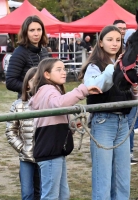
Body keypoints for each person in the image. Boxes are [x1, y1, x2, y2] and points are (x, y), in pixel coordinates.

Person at [78, 25, 138, 199]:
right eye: (110, 40)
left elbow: (132, 99)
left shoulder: (124, 65)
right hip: (103, 122)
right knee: (102, 178)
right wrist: (114, 68)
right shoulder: (94, 65)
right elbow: (95, 86)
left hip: (123, 121)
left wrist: (134, 90)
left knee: (122, 178)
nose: (114, 43)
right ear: (101, 43)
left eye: (118, 40)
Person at [29, 57, 102, 199]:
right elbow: (59, 104)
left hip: (55, 151)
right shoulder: (47, 90)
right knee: (51, 196)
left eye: (64, 69)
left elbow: (59, 113)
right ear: (47, 74)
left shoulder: (51, 90)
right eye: (59, 69)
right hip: (50, 151)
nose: (64, 72)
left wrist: (74, 124)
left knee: (63, 195)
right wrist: (83, 90)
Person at [5, 67, 40, 200]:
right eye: (33, 80)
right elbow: (10, 131)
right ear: (26, 85)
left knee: (43, 191)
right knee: (27, 193)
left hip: (45, 155)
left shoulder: (50, 103)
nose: (36, 83)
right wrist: (22, 148)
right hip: (26, 157)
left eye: (39, 80)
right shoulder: (18, 105)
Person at [6, 15, 49, 98]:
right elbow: (10, 82)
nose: (36, 34)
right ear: (26, 32)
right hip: (28, 101)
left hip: (44, 100)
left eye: (39, 30)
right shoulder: (19, 52)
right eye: (32, 30)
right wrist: (30, 87)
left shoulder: (44, 51)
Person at [123, 28, 138, 165]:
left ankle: (129, 152)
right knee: (126, 123)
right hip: (122, 94)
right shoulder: (125, 56)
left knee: (131, 123)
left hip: (133, 92)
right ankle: (125, 153)